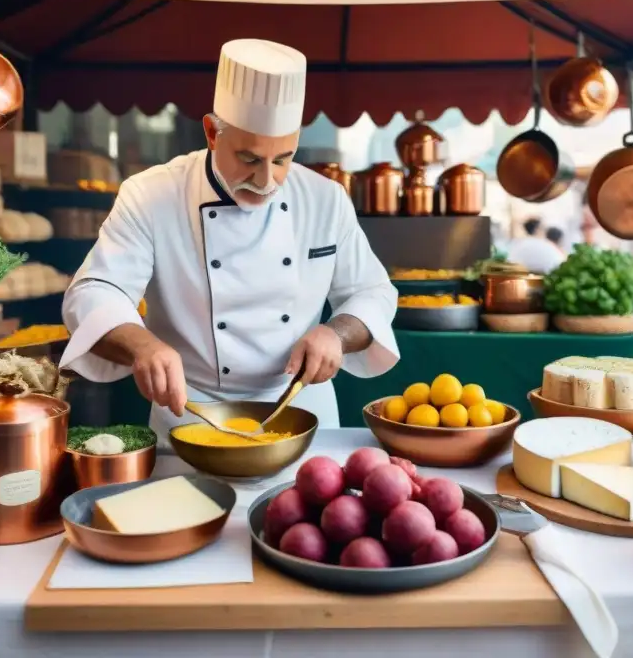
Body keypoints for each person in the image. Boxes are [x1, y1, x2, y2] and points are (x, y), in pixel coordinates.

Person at [60, 39, 399, 439]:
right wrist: (143, 346)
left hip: (301, 414)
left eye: (283, 159)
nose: (266, 181)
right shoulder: (151, 195)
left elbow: (374, 292)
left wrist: (336, 334)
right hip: (191, 413)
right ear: (211, 132)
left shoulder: (325, 199)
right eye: (250, 159)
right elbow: (95, 291)